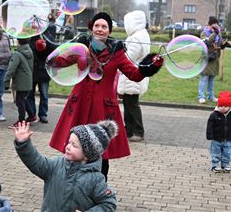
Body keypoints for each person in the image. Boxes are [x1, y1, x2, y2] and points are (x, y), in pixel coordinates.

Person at [48, 12, 163, 181]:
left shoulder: (116, 52)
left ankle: (99, 187)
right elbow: (60, 61)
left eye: (104, 27)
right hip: (79, 105)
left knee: (102, 154)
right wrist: (43, 48)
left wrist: (151, 65)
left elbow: (134, 74)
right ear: (91, 27)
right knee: (75, 147)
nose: (100, 29)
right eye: (97, 26)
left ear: (109, 31)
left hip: (103, 109)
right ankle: (72, 184)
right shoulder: (82, 47)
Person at [13, 120, 117, 211]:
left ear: (87, 154)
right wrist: (23, 144)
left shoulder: (95, 180)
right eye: (69, 142)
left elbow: (109, 203)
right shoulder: (56, 165)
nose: (67, 147)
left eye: (74, 145)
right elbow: (36, 162)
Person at [117, 10, 151, 142]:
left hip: (132, 75)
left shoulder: (137, 37)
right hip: (132, 75)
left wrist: (118, 53)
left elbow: (129, 57)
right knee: (128, 103)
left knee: (132, 104)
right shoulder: (140, 34)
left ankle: (138, 131)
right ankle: (129, 129)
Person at [25, 14, 57, 123]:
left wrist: (45, 45)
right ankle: (32, 114)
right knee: (30, 94)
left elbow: (54, 49)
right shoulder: (29, 37)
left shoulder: (47, 35)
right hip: (32, 70)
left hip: (43, 70)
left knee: (44, 94)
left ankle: (43, 114)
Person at [206, 91, 231, 173]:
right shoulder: (214, 115)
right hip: (216, 139)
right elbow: (209, 125)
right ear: (218, 105)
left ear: (229, 106)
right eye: (221, 106)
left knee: (227, 153)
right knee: (215, 153)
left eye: (226, 106)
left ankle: (225, 165)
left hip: (227, 139)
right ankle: (215, 165)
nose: (223, 108)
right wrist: (209, 135)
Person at [3, 38, 34, 129]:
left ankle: (21, 121)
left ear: (18, 42)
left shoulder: (17, 54)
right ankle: (32, 116)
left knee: (19, 101)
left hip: (21, 81)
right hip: (28, 80)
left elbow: (11, 69)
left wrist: (6, 81)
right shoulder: (30, 52)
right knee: (23, 99)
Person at [198, 16, 227, 104]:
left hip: (214, 58)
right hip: (207, 58)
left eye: (216, 24)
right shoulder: (204, 33)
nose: (215, 26)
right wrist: (215, 33)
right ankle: (201, 97)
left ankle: (210, 96)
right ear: (210, 25)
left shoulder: (218, 33)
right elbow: (207, 42)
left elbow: (219, 44)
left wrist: (223, 44)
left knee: (211, 78)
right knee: (204, 78)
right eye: (213, 24)